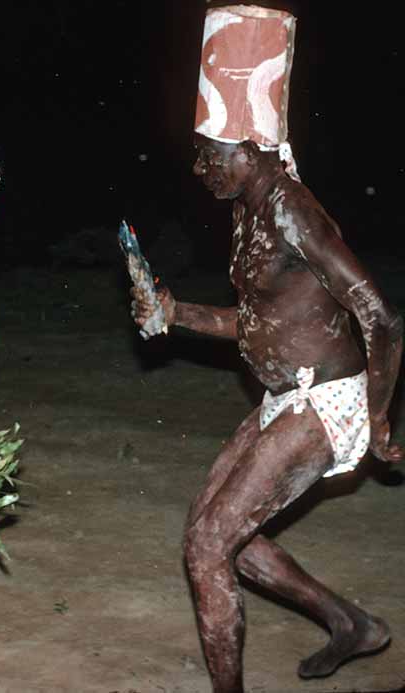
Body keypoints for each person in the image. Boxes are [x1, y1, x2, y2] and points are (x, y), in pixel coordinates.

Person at [131, 7, 402, 692]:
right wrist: (176, 312)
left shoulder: (290, 207)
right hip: (288, 395)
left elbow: (382, 317)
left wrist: (379, 417)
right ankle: (350, 623)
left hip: (327, 399)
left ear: (249, 146)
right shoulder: (248, 206)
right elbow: (259, 324)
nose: (198, 167)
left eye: (209, 153)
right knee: (221, 536)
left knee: (205, 547)